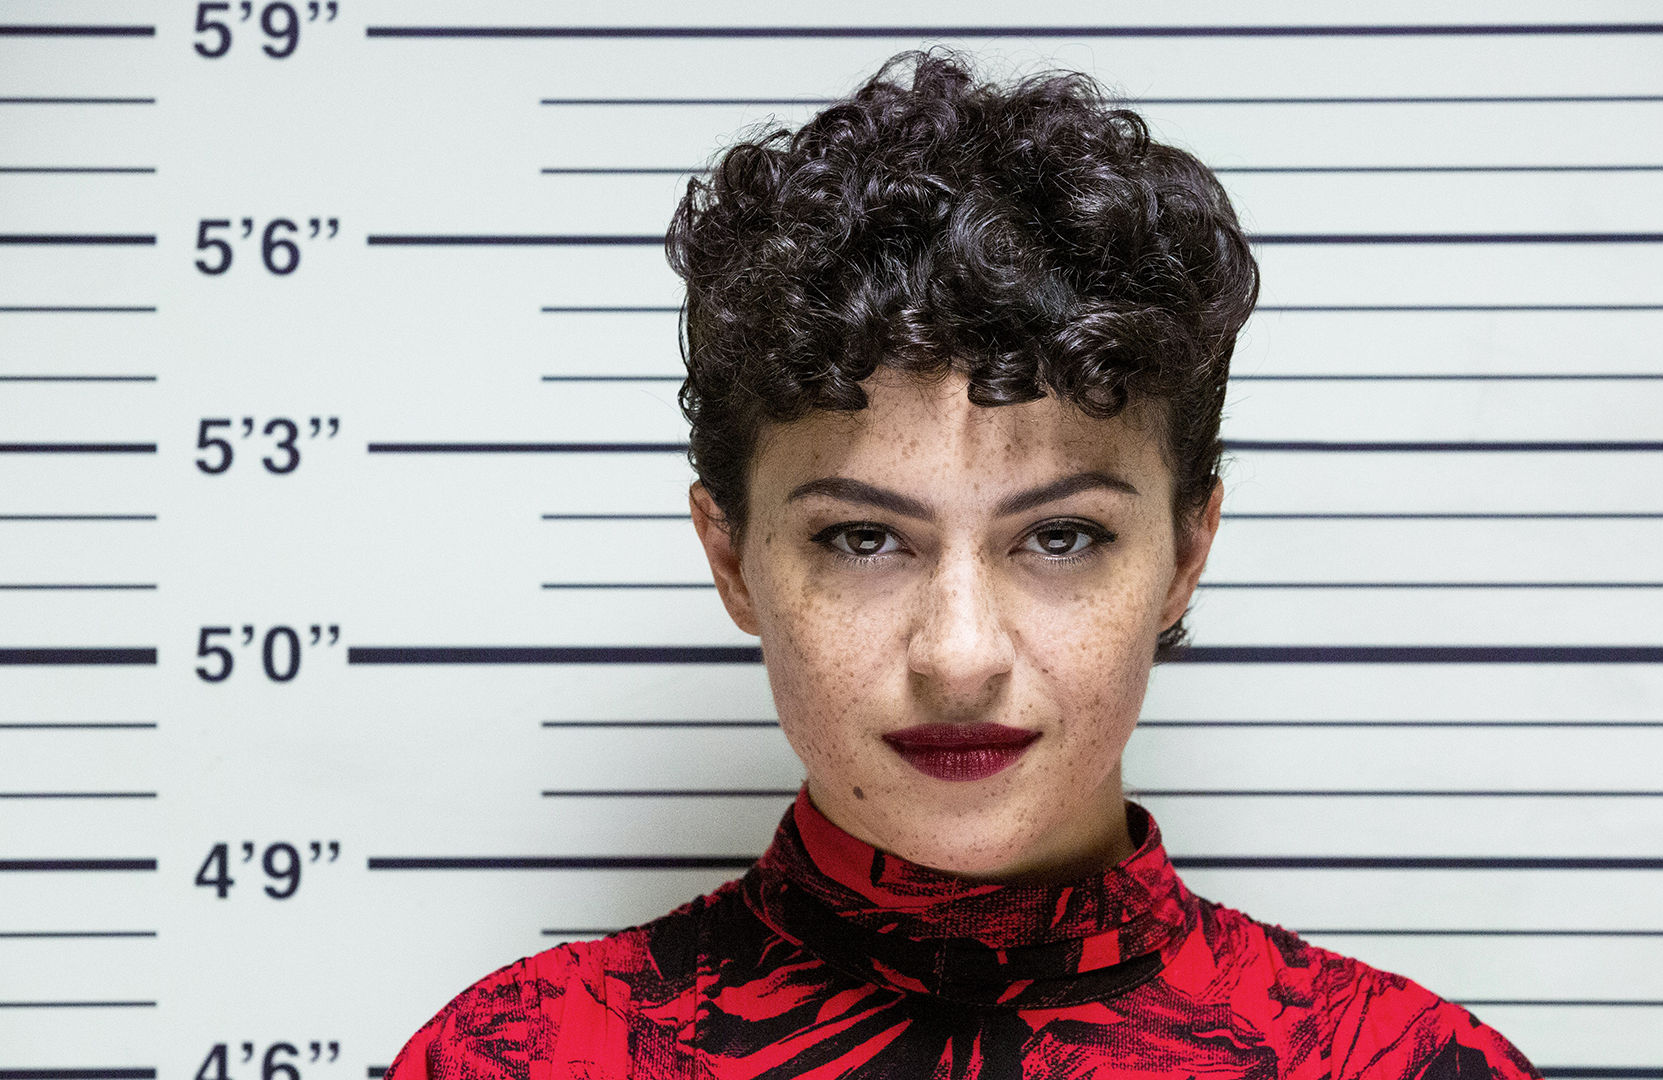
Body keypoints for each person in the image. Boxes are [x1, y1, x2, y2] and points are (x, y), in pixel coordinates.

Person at [386, 48, 1540, 1079]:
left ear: (1186, 552)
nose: (959, 656)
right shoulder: (515, 1062)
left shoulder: (1404, 1067)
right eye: (863, 538)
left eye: (1060, 536)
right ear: (730, 558)